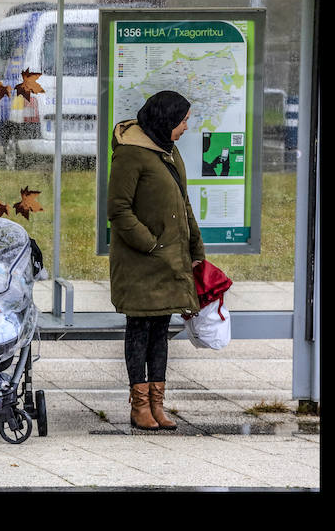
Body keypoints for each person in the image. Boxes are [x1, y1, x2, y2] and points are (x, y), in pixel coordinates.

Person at [107, 90, 205, 431]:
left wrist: (196, 251)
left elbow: (184, 204)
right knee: (140, 329)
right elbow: (118, 209)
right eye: (182, 121)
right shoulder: (131, 155)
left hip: (168, 261)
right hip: (140, 262)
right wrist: (149, 244)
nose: (186, 127)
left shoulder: (169, 151)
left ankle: (157, 404)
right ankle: (139, 407)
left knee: (161, 331)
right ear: (165, 121)